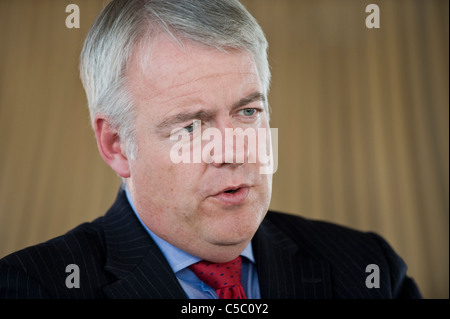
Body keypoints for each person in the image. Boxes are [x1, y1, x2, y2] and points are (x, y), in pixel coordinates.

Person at [0, 0, 421, 299]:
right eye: (190, 126)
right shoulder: (34, 286)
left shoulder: (369, 269)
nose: (232, 150)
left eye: (248, 111)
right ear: (117, 146)